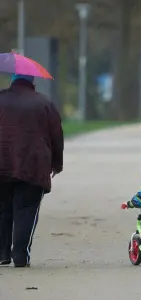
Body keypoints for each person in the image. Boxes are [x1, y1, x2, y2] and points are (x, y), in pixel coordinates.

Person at [0, 74, 64, 267]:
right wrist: (57, 163)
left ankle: (2, 253)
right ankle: (20, 255)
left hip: (1, 165)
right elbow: (56, 136)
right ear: (32, 82)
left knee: (2, 209)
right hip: (33, 166)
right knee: (26, 209)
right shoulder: (44, 103)